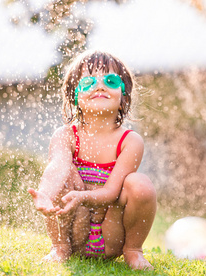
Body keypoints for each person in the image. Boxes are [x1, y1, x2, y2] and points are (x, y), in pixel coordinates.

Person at [28, 50, 157, 270]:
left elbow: (111, 193)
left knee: (140, 184)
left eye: (110, 80)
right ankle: (59, 247)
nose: (99, 86)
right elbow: (57, 167)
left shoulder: (129, 141)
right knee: (65, 172)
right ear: (75, 94)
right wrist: (46, 194)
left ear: (123, 96)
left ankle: (133, 251)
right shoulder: (66, 135)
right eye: (88, 82)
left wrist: (82, 196)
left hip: (109, 235)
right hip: (73, 231)